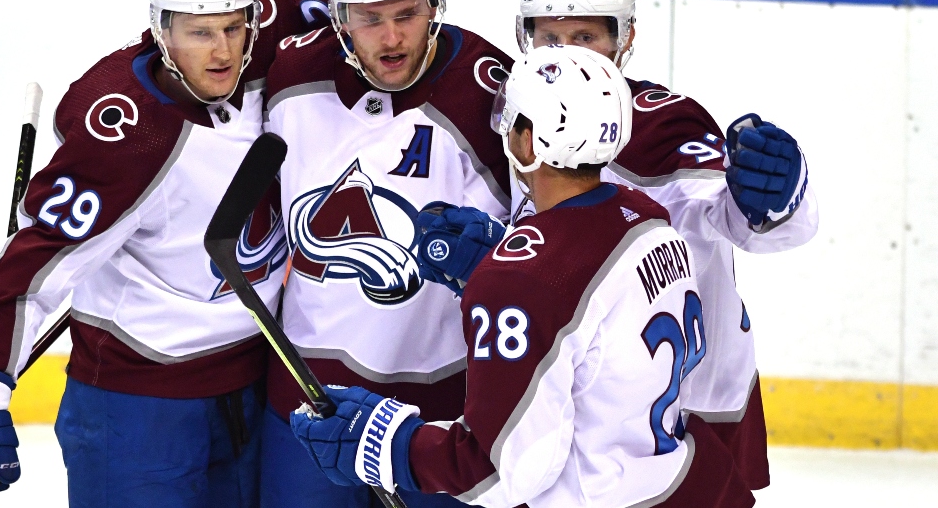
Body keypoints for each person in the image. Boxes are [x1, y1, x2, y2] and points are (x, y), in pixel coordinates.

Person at [0, 0, 334, 507]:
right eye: (199, 33)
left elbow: (361, 7)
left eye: (232, 28)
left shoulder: (265, 22)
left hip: (254, 381)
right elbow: (36, 259)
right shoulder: (125, 135)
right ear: (162, 31)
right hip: (138, 407)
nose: (222, 50)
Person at [417, 0, 819, 492]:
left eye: (586, 38)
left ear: (624, 39)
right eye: (549, 38)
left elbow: (749, 223)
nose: (566, 55)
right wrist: (495, 258)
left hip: (691, 403)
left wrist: (779, 198)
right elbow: (570, 255)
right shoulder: (519, 113)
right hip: (595, 409)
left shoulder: (663, 125)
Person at [289, 44, 756, 507]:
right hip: (691, 486)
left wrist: (385, 442)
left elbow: (501, 471)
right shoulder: (648, 217)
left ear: (528, 143)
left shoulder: (522, 282)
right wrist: (500, 257)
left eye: (511, 121)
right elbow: (590, 303)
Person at [260, 0, 517, 508]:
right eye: (370, 19)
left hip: (441, 410)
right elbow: (205, 33)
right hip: (307, 392)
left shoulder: (493, 94)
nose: (392, 37)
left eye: (407, 14)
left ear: (436, 3)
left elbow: (550, 228)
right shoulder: (291, 77)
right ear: (339, 16)